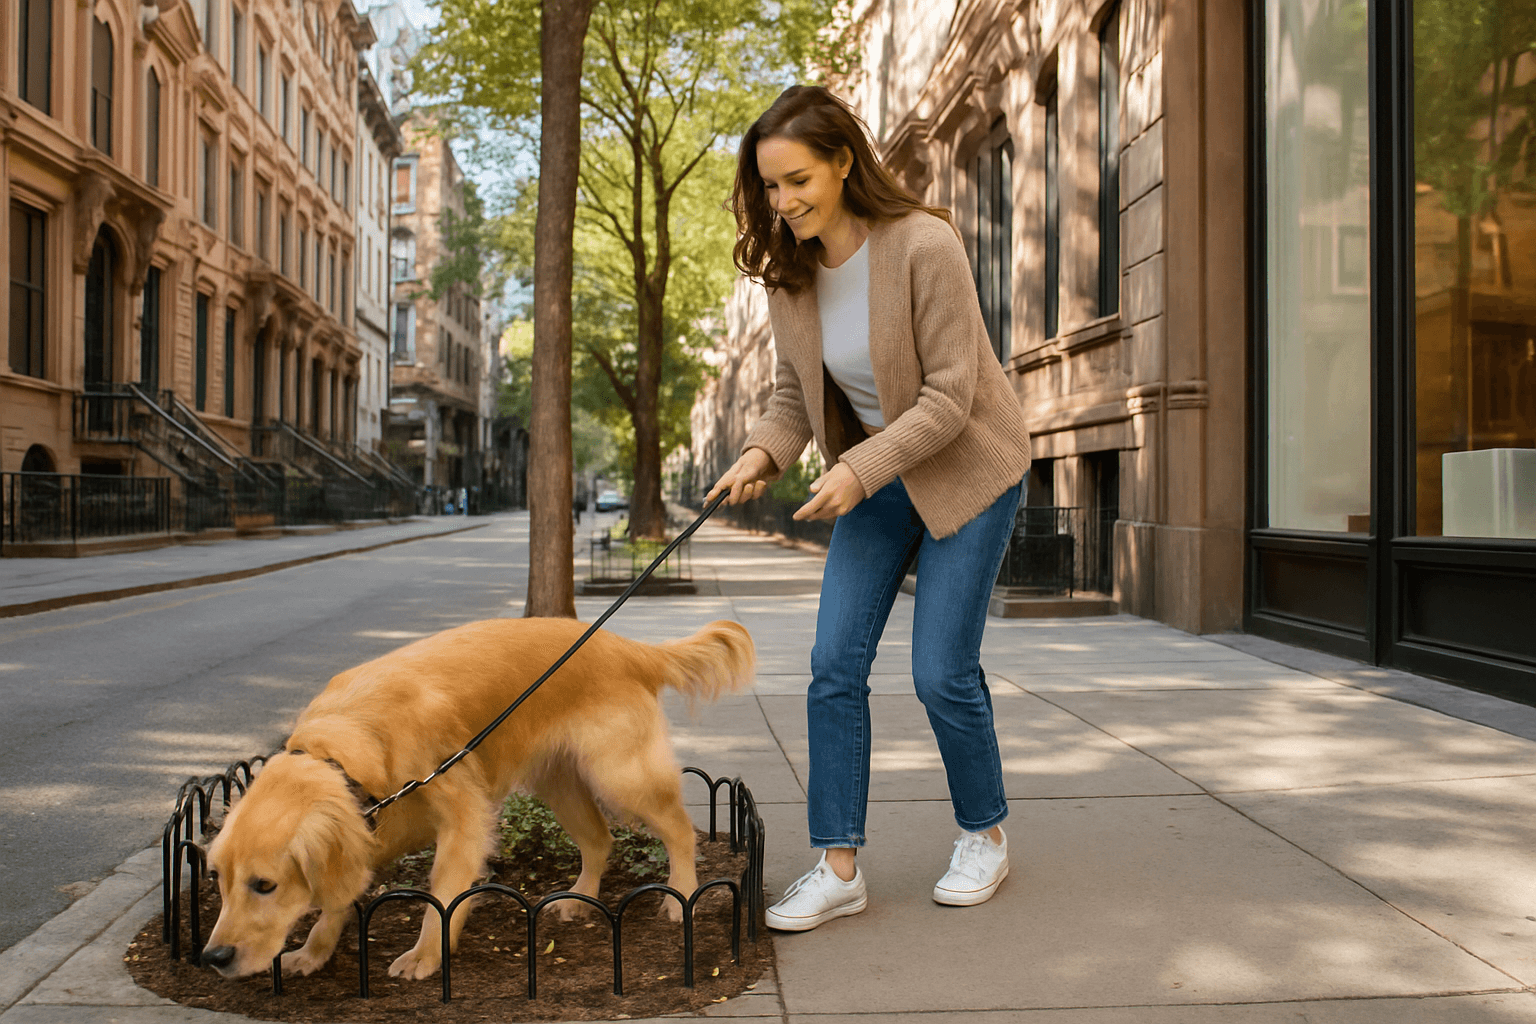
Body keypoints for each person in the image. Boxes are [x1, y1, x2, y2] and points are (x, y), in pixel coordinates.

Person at [706, 85, 1032, 932]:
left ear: (846, 162)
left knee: (940, 672)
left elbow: (952, 398)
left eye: (798, 180)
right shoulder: (790, 272)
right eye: (769, 187)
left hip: (967, 470)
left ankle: (985, 835)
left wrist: (857, 470)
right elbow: (792, 394)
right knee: (831, 665)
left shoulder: (925, 244)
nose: (783, 203)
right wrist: (758, 454)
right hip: (881, 480)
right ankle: (839, 864)